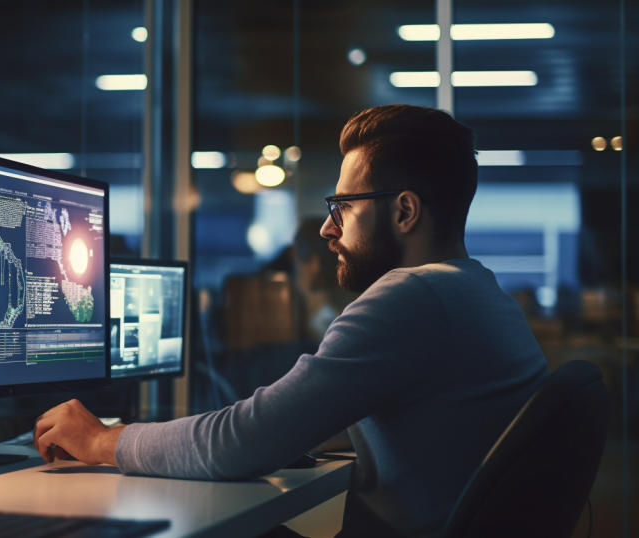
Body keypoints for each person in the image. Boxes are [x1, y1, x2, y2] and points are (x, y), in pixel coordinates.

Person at [32, 105, 549, 537]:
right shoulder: (479, 292)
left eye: (343, 206)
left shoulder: (410, 295)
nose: (328, 228)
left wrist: (102, 441)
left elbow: (240, 443)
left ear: (405, 212)